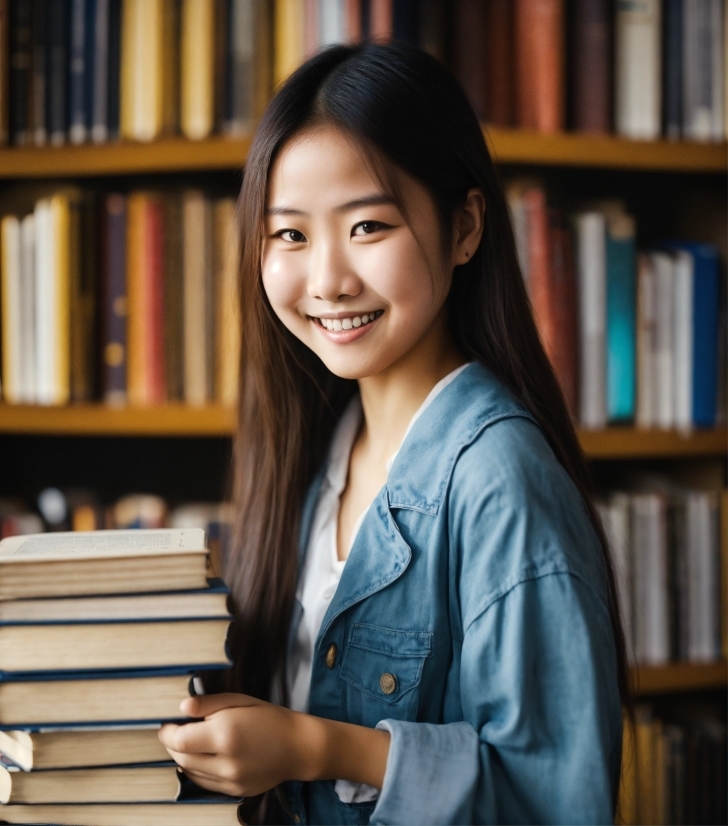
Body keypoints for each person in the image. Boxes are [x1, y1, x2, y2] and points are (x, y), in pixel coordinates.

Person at [159, 41, 628, 825]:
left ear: (465, 227)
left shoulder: (497, 478)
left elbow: (555, 798)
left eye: (368, 226)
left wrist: (318, 749)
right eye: (291, 235)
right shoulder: (323, 443)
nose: (329, 280)